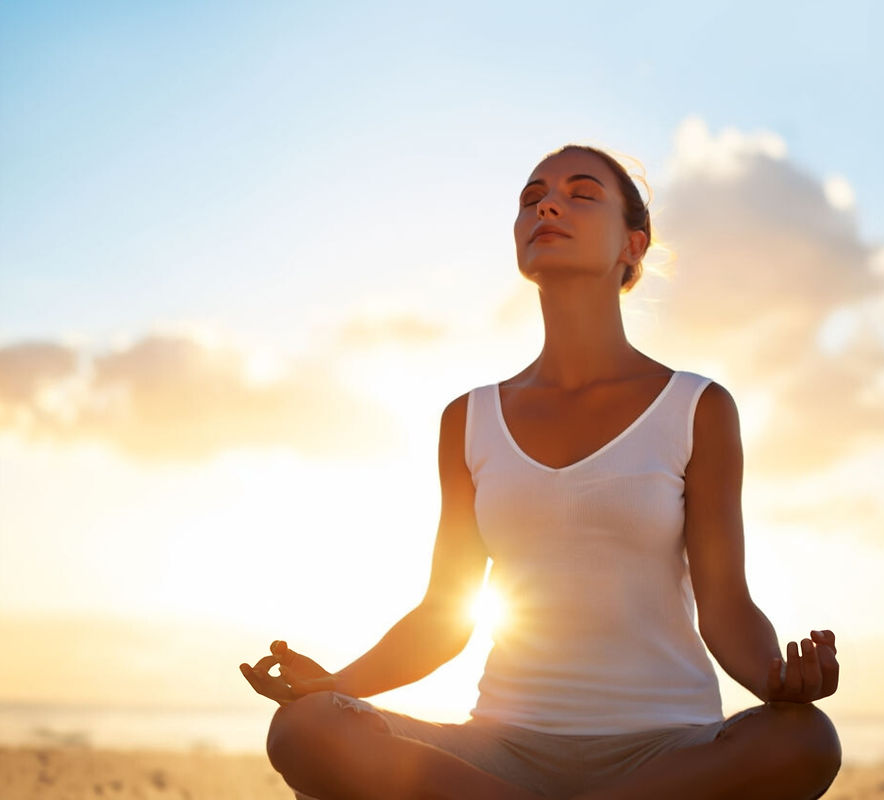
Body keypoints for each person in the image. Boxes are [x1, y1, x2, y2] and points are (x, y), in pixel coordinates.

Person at [240, 144, 842, 800]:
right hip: (499, 755)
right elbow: (443, 617)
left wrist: (781, 682)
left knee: (805, 740)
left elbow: (726, 609)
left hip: (665, 758)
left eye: (582, 194)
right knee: (304, 730)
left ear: (633, 244)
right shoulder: (467, 420)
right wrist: (332, 686)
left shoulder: (697, 409)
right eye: (531, 198)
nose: (547, 205)